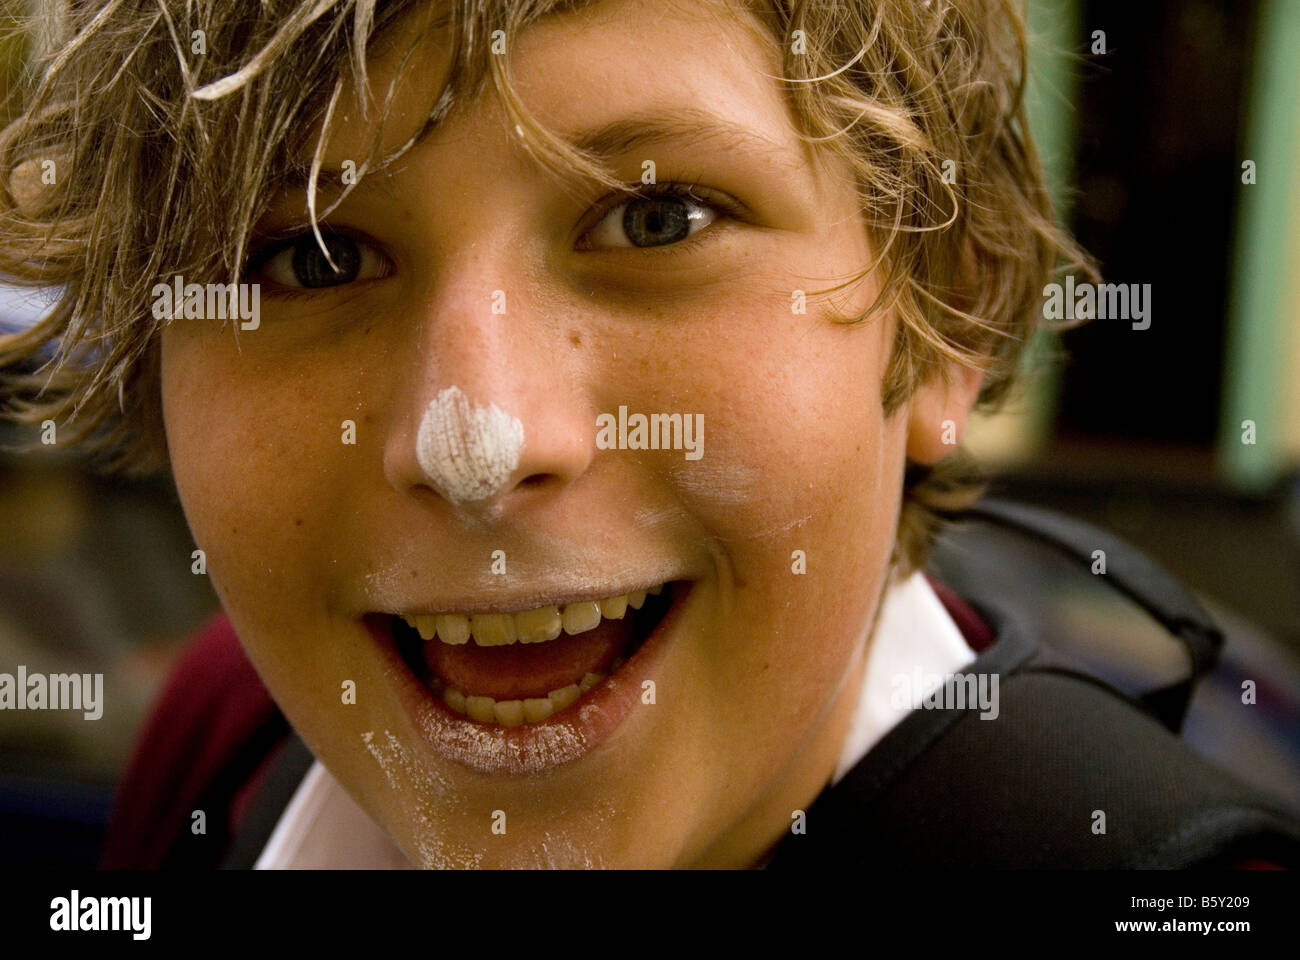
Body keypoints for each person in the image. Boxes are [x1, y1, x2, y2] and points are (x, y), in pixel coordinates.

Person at [3, 0, 1297, 869]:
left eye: (657, 218)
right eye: (313, 254)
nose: (481, 442)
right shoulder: (224, 744)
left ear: (944, 310)